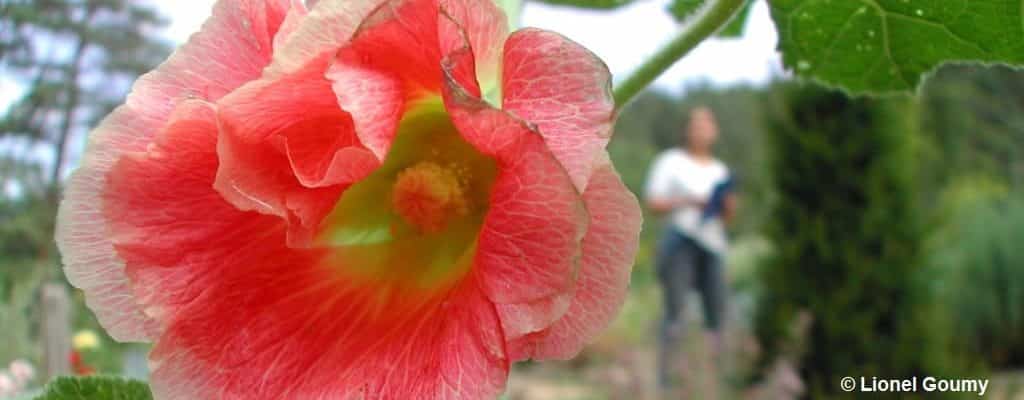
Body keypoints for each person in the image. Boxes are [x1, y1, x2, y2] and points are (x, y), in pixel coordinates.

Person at [645, 106, 736, 391]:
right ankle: (668, 383)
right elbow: (654, 202)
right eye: (696, 124)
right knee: (676, 312)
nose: (701, 129)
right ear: (686, 129)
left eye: (707, 124)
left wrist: (726, 206)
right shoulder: (670, 161)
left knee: (717, 311)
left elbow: (728, 217)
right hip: (680, 238)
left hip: (712, 243)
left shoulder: (721, 170)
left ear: (715, 131)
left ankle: (712, 381)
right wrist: (688, 201)